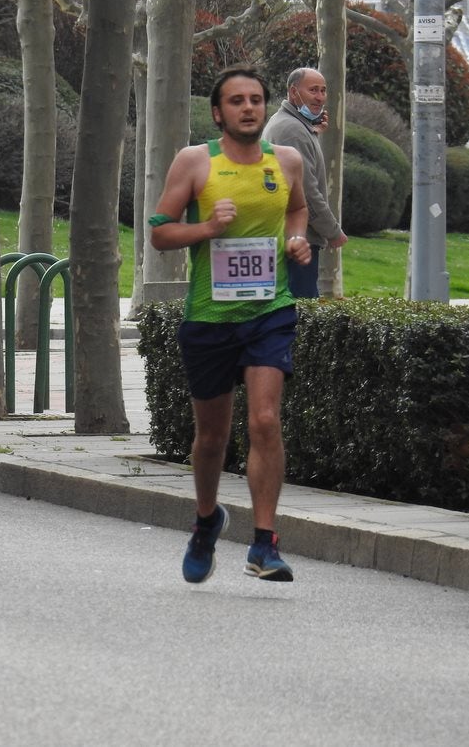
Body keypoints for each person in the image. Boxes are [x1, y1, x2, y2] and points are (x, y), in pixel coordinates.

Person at [149, 66, 311, 583]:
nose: (249, 108)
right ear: (218, 112)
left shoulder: (286, 160)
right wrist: (208, 228)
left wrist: (297, 240)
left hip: (270, 312)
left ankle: (265, 544)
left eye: (257, 100)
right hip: (210, 318)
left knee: (264, 420)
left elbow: (298, 209)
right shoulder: (196, 162)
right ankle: (205, 521)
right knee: (212, 437)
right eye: (237, 101)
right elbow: (160, 232)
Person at [262, 67, 348, 298]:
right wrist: (332, 231)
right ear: (293, 92)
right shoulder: (292, 131)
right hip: (296, 240)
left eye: (323, 90)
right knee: (299, 313)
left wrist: (314, 131)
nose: (320, 97)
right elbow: (306, 192)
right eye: (313, 90)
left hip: (288, 237)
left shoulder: (291, 124)